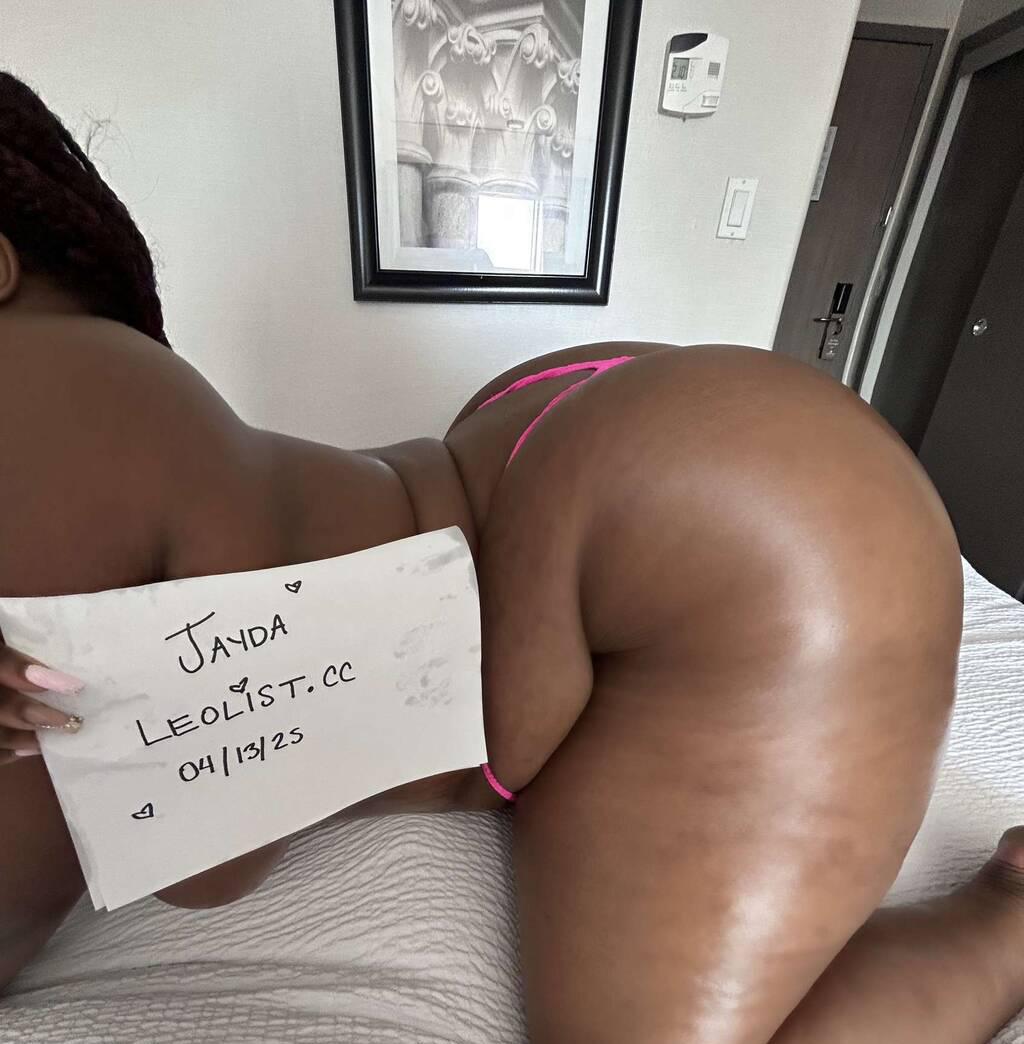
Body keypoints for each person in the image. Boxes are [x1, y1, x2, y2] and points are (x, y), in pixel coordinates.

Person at [0, 70, 1022, 1044]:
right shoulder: (87, 385)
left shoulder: (34, 403)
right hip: (569, 465)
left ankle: (1006, 930)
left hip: (715, 530)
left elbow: (187, 863)